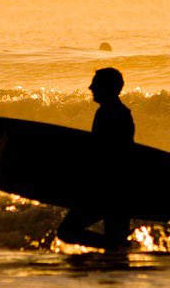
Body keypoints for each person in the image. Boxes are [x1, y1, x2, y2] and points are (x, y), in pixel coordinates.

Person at [57, 68, 134, 250]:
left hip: (109, 190)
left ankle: (115, 247)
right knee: (115, 243)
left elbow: (107, 155)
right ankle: (116, 250)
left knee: (67, 231)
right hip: (120, 189)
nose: (90, 87)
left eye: (95, 83)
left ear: (107, 87)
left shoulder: (111, 113)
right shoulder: (115, 111)